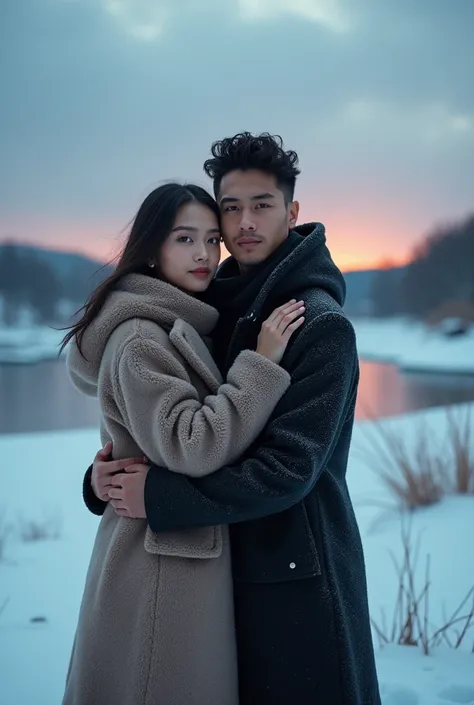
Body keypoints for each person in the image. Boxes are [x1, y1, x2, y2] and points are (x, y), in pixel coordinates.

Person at [86, 133, 382, 704]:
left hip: (298, 574)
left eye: (262, 205)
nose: (244, 221)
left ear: (292, 212)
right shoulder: (208, 310)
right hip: (214, 575)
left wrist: (165, 498)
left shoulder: (318, 327)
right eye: (231, 207)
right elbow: (168, 418)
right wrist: (106, 475)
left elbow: (288, 469)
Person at [60, 182, 305, 705]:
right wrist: (260, 365)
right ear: (152, 248)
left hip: (168, 553)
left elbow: (138, 439)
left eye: (211, 240)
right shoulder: (143, 339)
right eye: (184, 238)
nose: (202, 254)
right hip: (160, 570)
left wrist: (99, 476)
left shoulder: (177, 323)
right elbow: (190, 443)